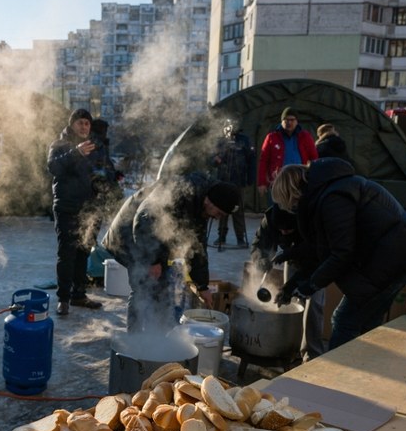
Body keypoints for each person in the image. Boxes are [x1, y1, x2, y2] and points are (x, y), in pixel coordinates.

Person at [271, 158, 406, 350]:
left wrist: (310, 285)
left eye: (289, 204)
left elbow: (340, 254)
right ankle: (367, 366)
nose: (292, 210)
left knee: (344, 321)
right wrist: (292, 284)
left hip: (396, 254)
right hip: (397, 252)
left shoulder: (333, 198)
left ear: (293, 193)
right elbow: (323, 250)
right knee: (368, 321)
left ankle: (334, 376)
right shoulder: (327, 191)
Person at [102, 172, 241, 333]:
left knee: (161, 288)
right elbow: (143, 221)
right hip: (131, 235)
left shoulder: (201, 204)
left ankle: (158, 335)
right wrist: (153, 261)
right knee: (143, 287)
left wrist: (202, 286)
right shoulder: (178, 192)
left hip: (154, 241)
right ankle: (135, 341)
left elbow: (197, 247)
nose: (218, 218)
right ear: (210, 202)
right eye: (219, 213)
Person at [47, 108, 106, 316]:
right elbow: (53, 167)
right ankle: (63, 299)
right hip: (67, 207)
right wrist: (76, 153)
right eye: (80, 123)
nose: (84, 127)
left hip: (89, 209)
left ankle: (79, 295)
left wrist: (108, 178)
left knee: (83, 252)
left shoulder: (95, 146)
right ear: (72, 124)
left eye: (87, 123)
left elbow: (103, 169)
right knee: (67, 253)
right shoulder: (59, 144)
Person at [249, 204, 326, 361]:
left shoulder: (310, 221)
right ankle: (292, 347)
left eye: (288, 230)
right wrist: (260, 260)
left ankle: (312, 354)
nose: (284, 233)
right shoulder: (270, 220)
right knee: (291, 303)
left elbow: (315, 262)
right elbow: (259, 245)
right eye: (280, 230)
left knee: (313, 304)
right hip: (290, 257)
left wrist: (291, 286)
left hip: (316, 259)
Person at [257, 107, 318, 210]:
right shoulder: (272, 137)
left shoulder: (305, 137)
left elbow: (314, 158)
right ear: (282, 121)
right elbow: (263, 160)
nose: (289, 122)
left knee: (298, 210)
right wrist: (262, 182)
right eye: (286, 120)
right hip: (278, 181)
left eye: (292, 120)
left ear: (297, 121)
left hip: (299, 180)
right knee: (277, 210)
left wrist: (314, 178)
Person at [210, 120, 255, 250]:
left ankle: (240, 238)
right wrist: (215, 160)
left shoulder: (244, 140)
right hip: (223, 180)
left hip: (238, 181)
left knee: (238, 210)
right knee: (222, 207)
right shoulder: (221, 141)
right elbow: (211, 159)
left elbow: (251, 160)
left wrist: (250, 178)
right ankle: (221, 236)